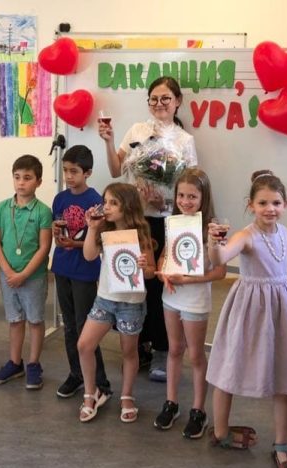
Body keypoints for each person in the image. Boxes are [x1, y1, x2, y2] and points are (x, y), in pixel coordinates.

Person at [206, 170, 287, 468]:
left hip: (279, 310)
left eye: (276, 202)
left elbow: (279, 258)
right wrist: (213, 243)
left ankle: (282, 444)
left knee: (285, 372)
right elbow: (220, 257)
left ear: (286, 204)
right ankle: (220, 431)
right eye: (262, 203)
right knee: (229, 367)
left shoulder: (284, 232)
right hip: (249, 309)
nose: (269, 208)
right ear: (251, 205)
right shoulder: (245, 235)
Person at [98, 76, 198, 383]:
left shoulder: (184, 140)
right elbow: (116, 170)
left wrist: (164, 199)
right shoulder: (137, 131)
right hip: (133, 220)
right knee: (133, 283)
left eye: (165, 98)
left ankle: (162, 349)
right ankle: (137, 343)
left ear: (177, 101)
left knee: (160, 287)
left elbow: (191, 185)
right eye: (154, 98)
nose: (159, 104)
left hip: (165, 221)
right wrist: (109, 141)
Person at [154, 168, 225, 438]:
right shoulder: (173, 222)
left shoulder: (212, 229)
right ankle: (171, 402)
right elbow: (164, 256)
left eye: (192, 196)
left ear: (203, 198)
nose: (185, 201)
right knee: (174, 349)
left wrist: (188, 280)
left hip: (195, 300)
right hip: (171, 297)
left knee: (195, 355)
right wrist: (163, 273)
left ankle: (198, 410)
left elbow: (220, 272)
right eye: (181, 195)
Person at [76, 182, 154, 423]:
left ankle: (127, 396)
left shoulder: (141, 234)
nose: (106, 207)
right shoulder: (103, 230)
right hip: (105, 299)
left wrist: (144, 267)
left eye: (113, 203)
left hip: (131, 302)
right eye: (105, 201)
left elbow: (151, 272)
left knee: (129, 351)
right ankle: (90, 393)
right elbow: (88, 255)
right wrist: (91, 228)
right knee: (84, 345)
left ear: (127, 206)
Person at [50, 145, 112, 399]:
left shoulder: (96, 201)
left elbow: (98, 242)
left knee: (85, 327)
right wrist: (56, 233)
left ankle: (100, 383)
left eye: (74, 171)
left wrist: (74, 244)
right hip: (62, 267)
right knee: (69, 326)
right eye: (65, 170)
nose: (68, 176)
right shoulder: (60, 199)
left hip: (85, 271)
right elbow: (57, 230)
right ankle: (76, 374)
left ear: (87, 173)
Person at [0, 154, 52, 389]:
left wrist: (24, 274)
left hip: (32, 277)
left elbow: (44, 247)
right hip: (8, 276)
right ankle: (15, 363)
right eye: (17, 177)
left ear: (38, 181)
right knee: (15, 320)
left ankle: (34, 364)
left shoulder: (43, 211)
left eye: (27, 178)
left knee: (35, 320)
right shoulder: (3, 208)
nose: (21, 182)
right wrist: (6, 270)